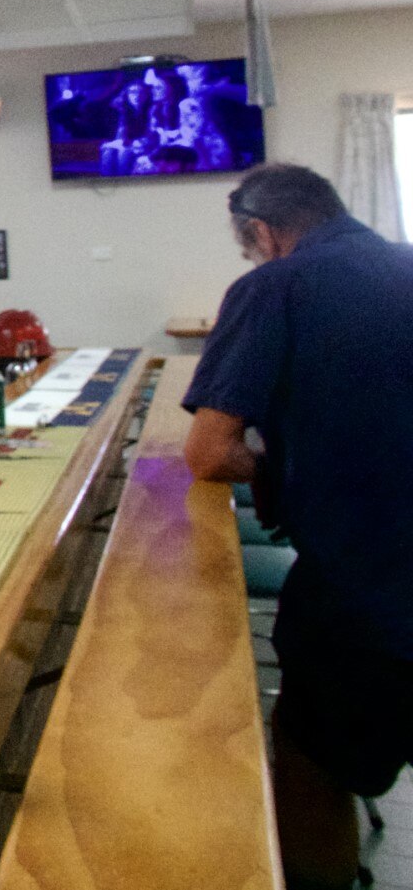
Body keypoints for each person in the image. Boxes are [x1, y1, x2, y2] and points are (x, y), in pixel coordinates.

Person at [182, 163, 413, 890]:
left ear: (260, 231)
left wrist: (288, 471)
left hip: (368, 584)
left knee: (312, 756)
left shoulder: (274, 286)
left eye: (248, 247)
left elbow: (211, 451)